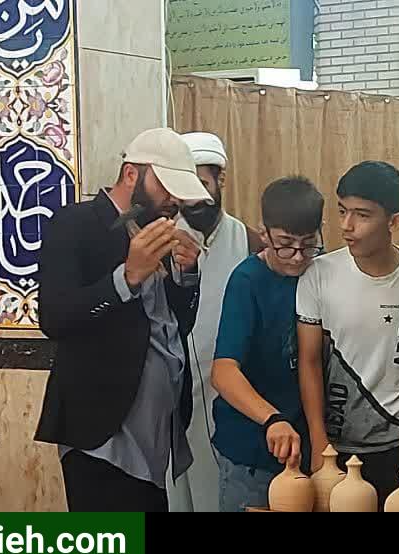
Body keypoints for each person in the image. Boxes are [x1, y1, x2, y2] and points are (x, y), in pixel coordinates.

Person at [35, 127, 213, 512]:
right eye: (165, 188)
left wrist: (188, 275)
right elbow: (54, 317)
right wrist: (126, 278)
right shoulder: (75, 224)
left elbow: (173, 324)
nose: (174, 201)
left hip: (156, 438)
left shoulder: (156, 228)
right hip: (101, 434)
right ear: (132, 174)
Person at [296, 161, 399, 511]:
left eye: (362, 215)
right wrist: (318, 440)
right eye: (342, 211)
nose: (347, 226)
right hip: (337, 445)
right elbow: (309, 361)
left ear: (394, 222)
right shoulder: (319, 274)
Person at [210, 177, 326, 512]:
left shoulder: (321, 273)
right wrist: (272, 419)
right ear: (264, 233)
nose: (297, 257)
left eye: (308, 244)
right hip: (252, 449)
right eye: (285, 244)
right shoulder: (247, 281)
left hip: (309, 446)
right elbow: (223, 371)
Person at [165, 132, 250, 512]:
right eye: (186, 187)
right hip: (174, 394)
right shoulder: (163, 239)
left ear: (220, 181)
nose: (194, 197)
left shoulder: (247, 240)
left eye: (202, 183)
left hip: (229, 394)